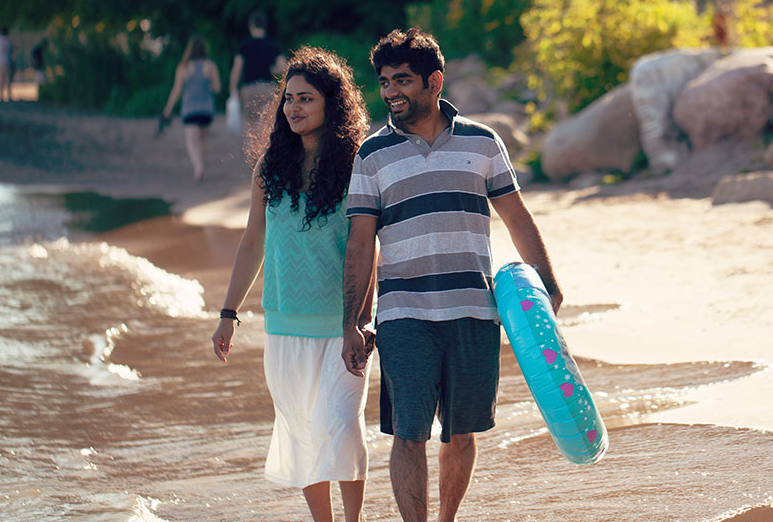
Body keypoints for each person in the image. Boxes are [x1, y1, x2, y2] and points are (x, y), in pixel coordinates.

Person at [341, 28, 563, 522]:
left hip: (472, 310)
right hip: (403, 314)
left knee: (461, 432)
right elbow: (360, 244)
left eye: (402, 80)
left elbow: (517, 217)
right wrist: (351, 321)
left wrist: (547, 285)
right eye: (384, 82)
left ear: (434, 81)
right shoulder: (371, 155)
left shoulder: (483, 143)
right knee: (407, 431)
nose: (391, 92)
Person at [212, 46, 375, 522]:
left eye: (306, 98)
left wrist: (360, 321)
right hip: (283, 326)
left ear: (332, 104)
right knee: (303, 433)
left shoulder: (355, 166)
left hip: (341, 326)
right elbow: (252, 242)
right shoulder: (270, 166)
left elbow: (368, 251)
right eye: (288, 99)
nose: (293, 108)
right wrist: (228, 314)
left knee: (343, 427)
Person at [161, 35, 221, 182]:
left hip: (189, 110)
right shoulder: (210, 66)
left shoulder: (183, 67)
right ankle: (202, 167)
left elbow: (176, 91)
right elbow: (217, 88)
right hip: (206, 109)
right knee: (203, 140)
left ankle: (198, 168)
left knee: (192, 141)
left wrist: (167, 109)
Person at [228, 9, 287, 127]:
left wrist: (233, 90)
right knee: (267, 124)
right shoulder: (272, 44)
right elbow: (283, 67)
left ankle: (254, 146)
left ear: (251, 25)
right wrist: (272, 70)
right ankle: (265, 145)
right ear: (265, 26)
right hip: (268, 87)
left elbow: (237, 69)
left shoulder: (244, 46)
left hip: (249, 88)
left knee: (251, 125)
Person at [0, 28, 14, 102]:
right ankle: (8, 95)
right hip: (5, 61)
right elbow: (9, 50)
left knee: (2, 79)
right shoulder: (5, 40)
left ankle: (1, 96)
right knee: (7, 79)